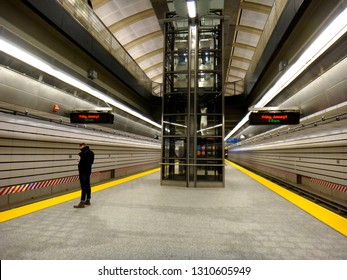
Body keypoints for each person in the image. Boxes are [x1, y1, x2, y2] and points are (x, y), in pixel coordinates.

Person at [74, 143, 95, 208]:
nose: (79, 148)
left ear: (83, 146)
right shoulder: (92, 153)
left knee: (83, 187)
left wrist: (80, 162)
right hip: (88, 171)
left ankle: (82, 202)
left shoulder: (84, 153)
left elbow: (83, 162)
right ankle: (88, 200)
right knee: (88, 185)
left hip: (83, 172)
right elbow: (91, 162)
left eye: (80, 147)